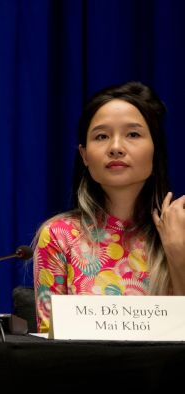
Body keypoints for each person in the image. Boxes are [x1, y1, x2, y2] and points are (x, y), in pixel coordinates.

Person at [33, 81, 185, 332]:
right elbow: (49, 350)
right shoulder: (59, 236)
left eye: (133, 134)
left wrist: (178, 255)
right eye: (101, 136)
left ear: (155, 149)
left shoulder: (180, 228)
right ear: (84, 155)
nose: (115, 148)